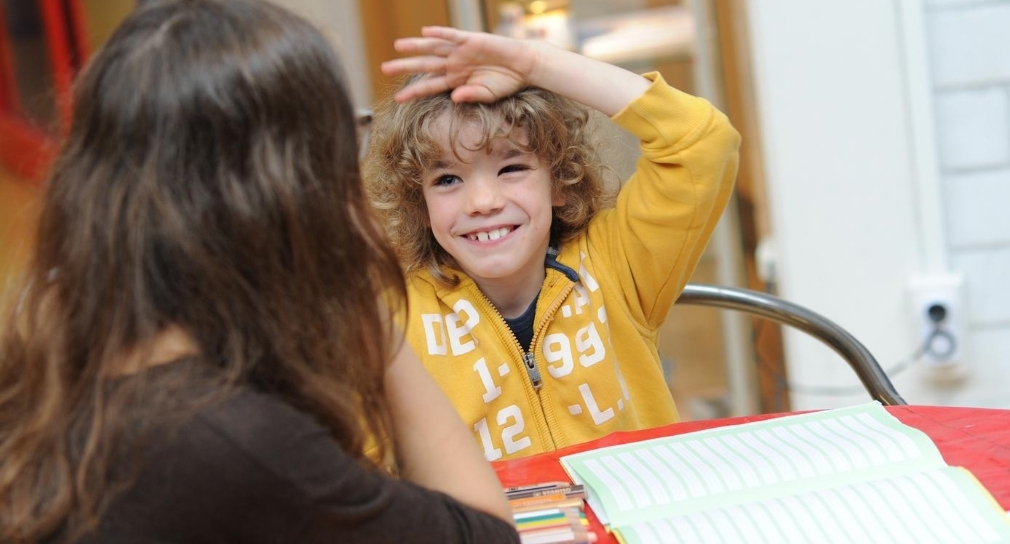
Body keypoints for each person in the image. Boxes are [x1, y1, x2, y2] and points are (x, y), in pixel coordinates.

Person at [0, 2, 518, 543]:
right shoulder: (234, 442)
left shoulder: (60, 361)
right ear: (286, 193)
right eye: (340, 147)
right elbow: (485, 534)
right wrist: (365, 294)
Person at [364, 27, 741, 461]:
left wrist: (536, 63)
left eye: (511, 168)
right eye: (447, 179)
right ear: (420, 204)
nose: (483, 202)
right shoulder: (392, 325)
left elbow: (701, 141)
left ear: (559, 181)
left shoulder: (616, 263)